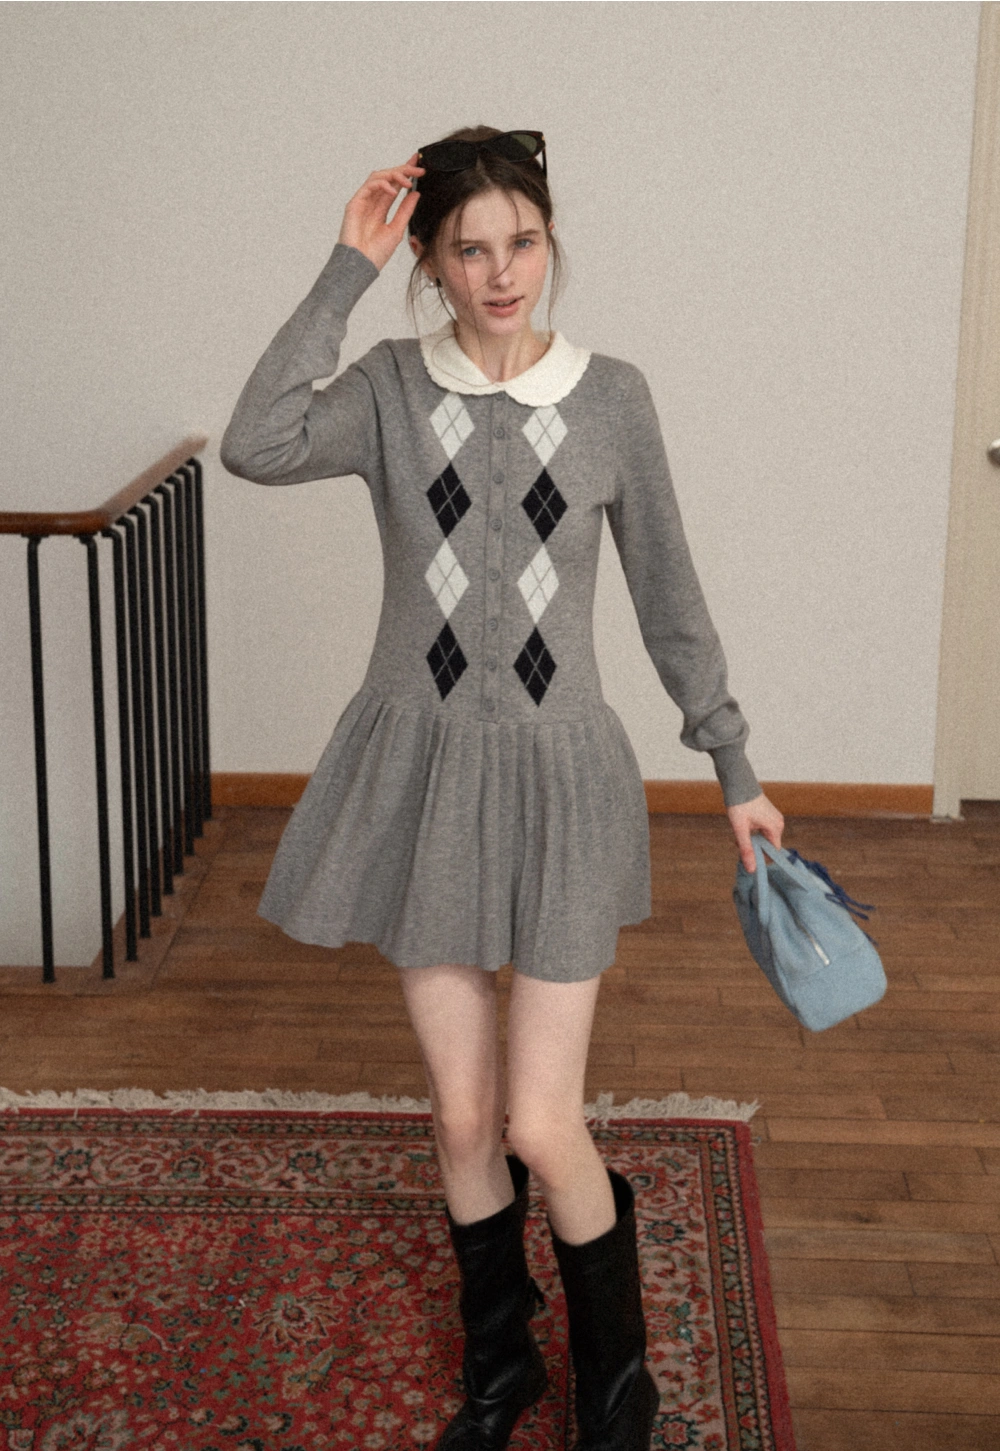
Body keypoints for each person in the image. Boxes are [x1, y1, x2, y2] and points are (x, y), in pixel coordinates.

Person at [221, 125, 784, 1451]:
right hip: (421, 778)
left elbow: (670, 595)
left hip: (559, 784)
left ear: (549, 240)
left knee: (540, 1118)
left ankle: (617, 1385)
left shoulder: (612, 400)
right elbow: (255, 441)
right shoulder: (388, 389)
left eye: (521, 242)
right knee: (467, 1114)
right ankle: (503, 1367)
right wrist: (343, 270)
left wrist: (736, 766)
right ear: (430, 261)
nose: (500, 273)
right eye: (467, 250)